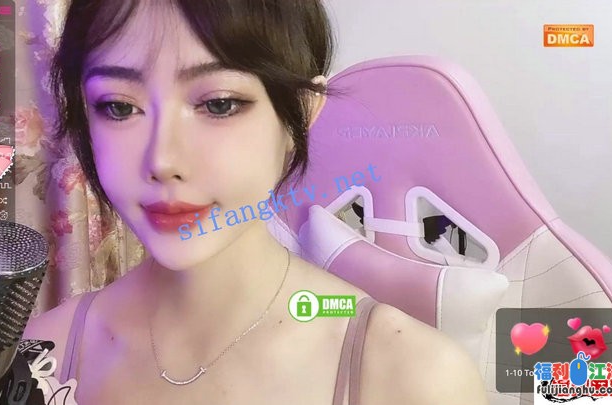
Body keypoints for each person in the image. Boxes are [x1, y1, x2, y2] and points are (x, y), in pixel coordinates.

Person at [24, 1, 487, 404]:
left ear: (300, 114)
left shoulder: (413, 378)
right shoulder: (44, 355)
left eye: (219, 104)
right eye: (119, 107)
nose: (162, 161)